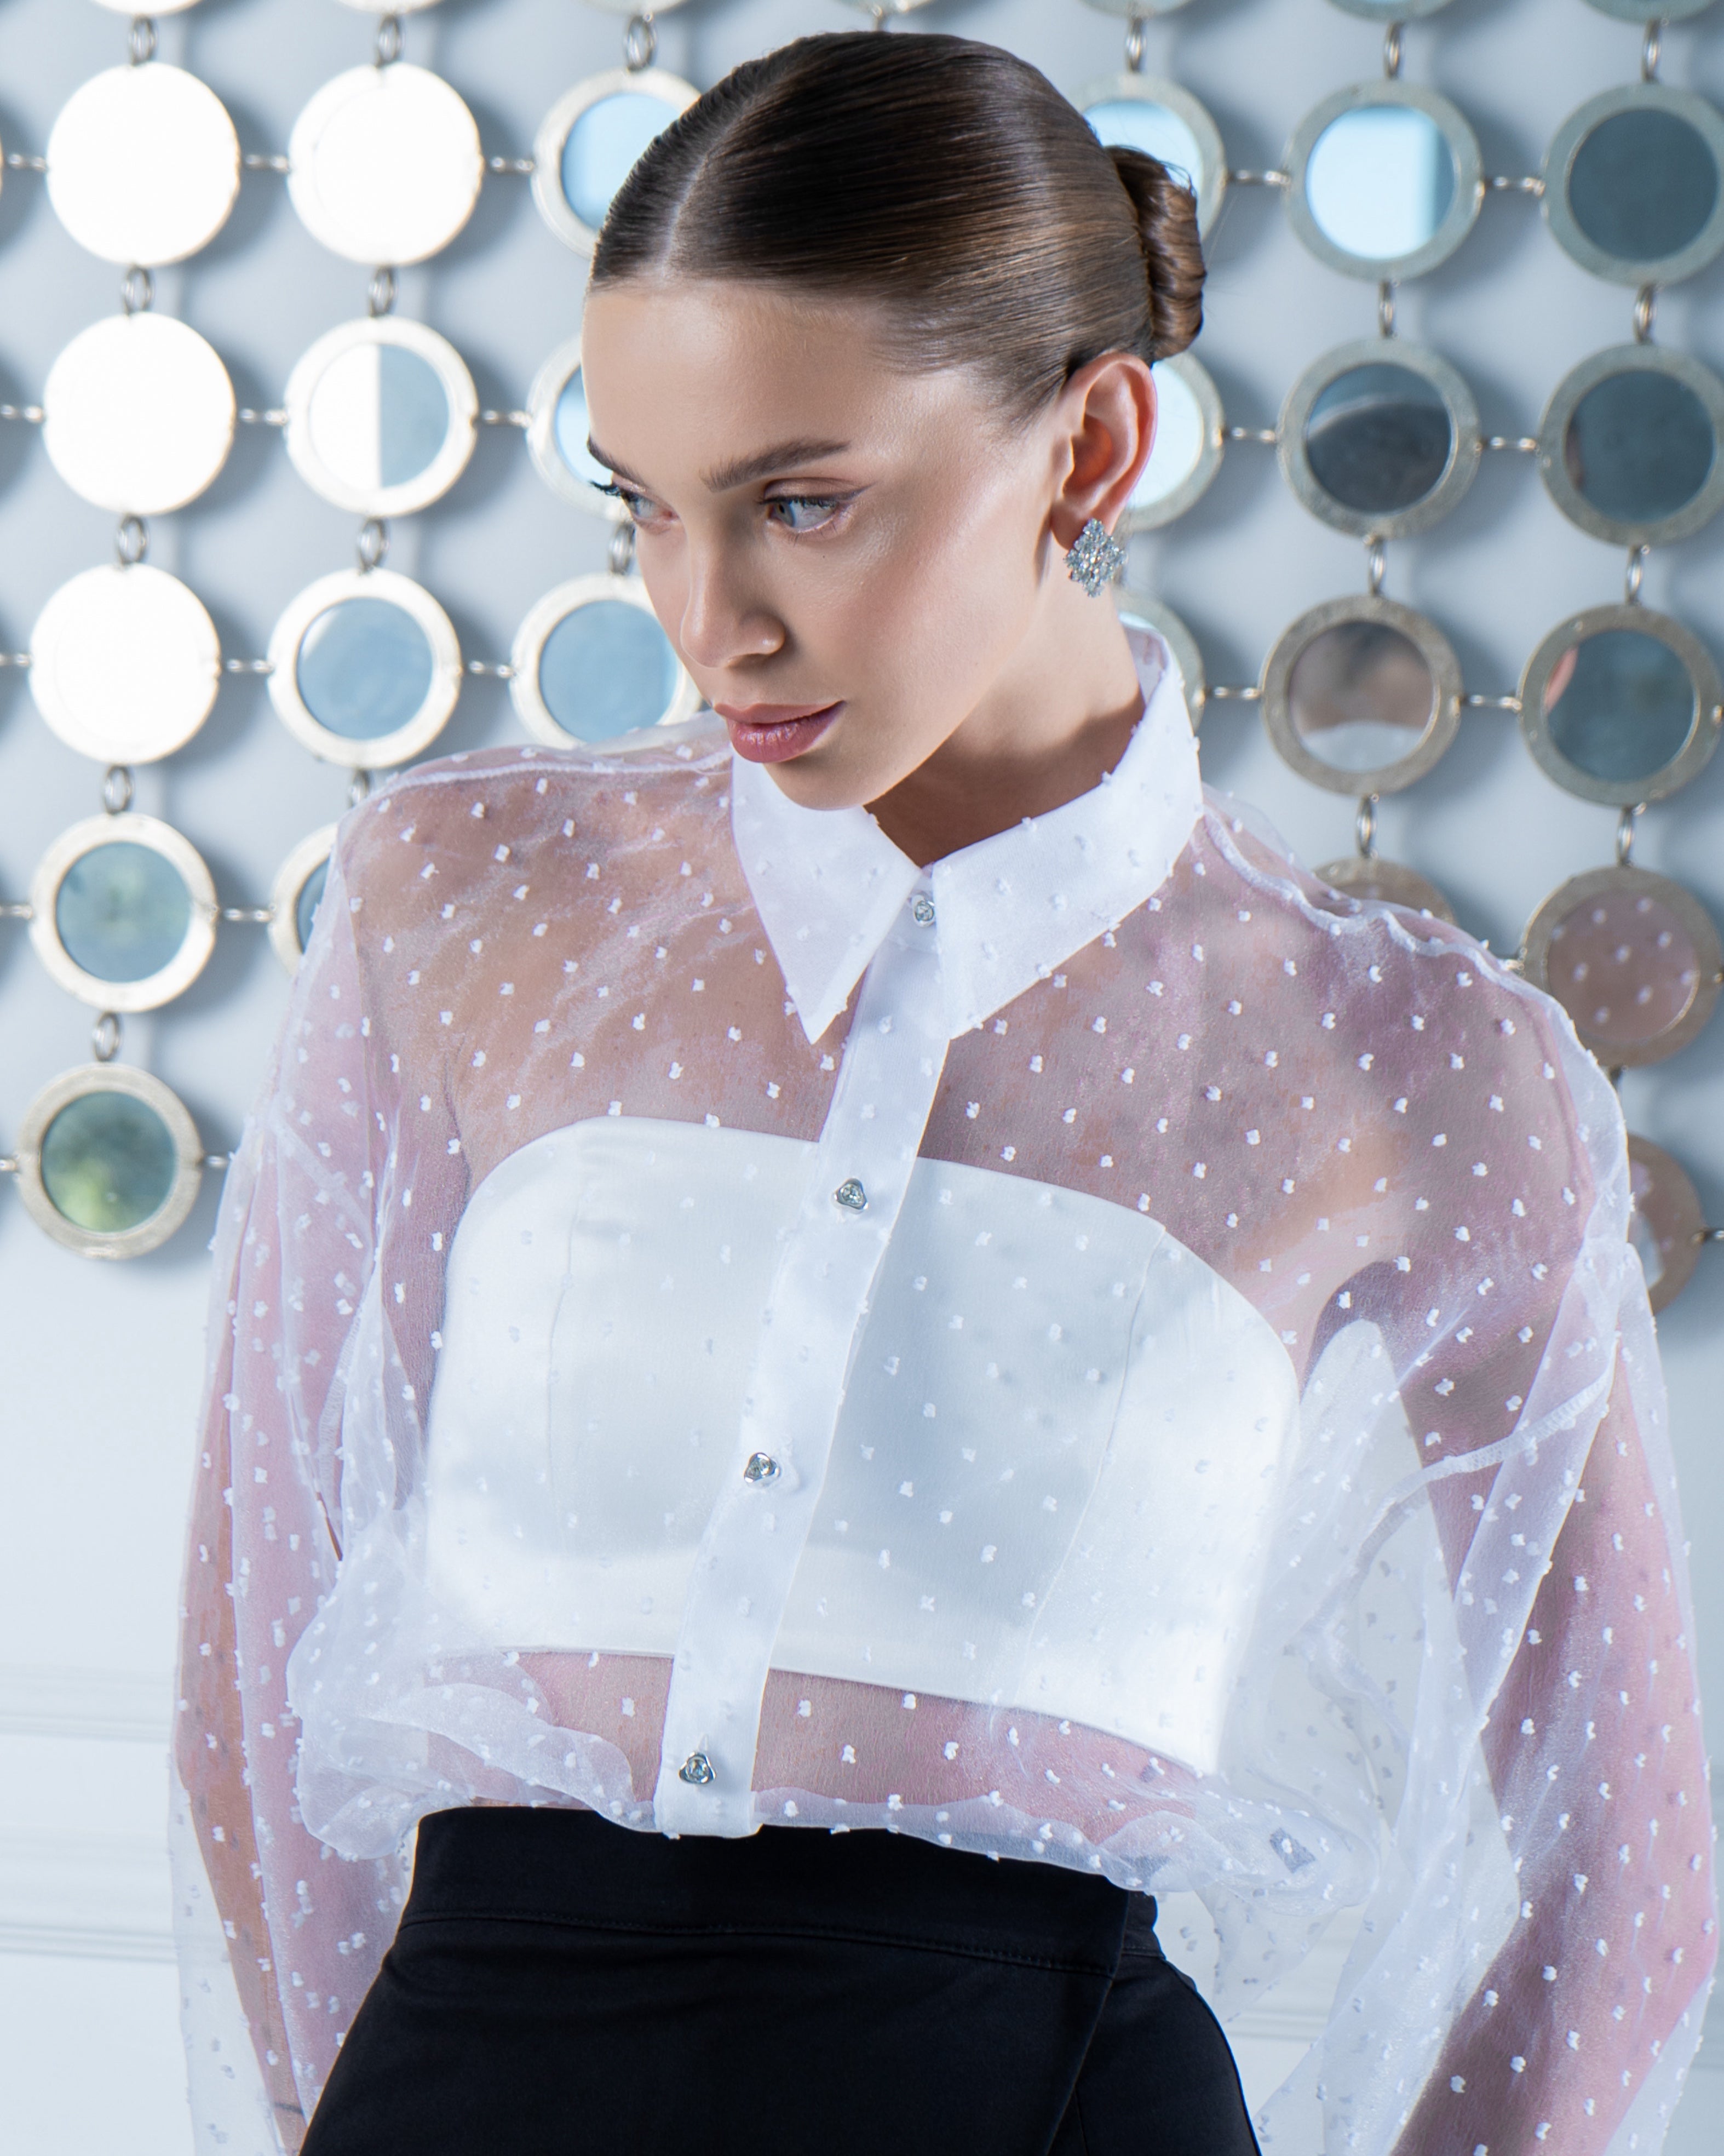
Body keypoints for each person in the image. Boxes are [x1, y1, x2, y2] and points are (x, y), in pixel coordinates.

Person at [172, 31, 1716, 2156]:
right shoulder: (460, 900)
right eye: (646, 509)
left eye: (803, 504)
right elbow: (251, 1678)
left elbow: (1627, 1890)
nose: (710, 622)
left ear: (1091, 446)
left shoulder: (1409, 1062)